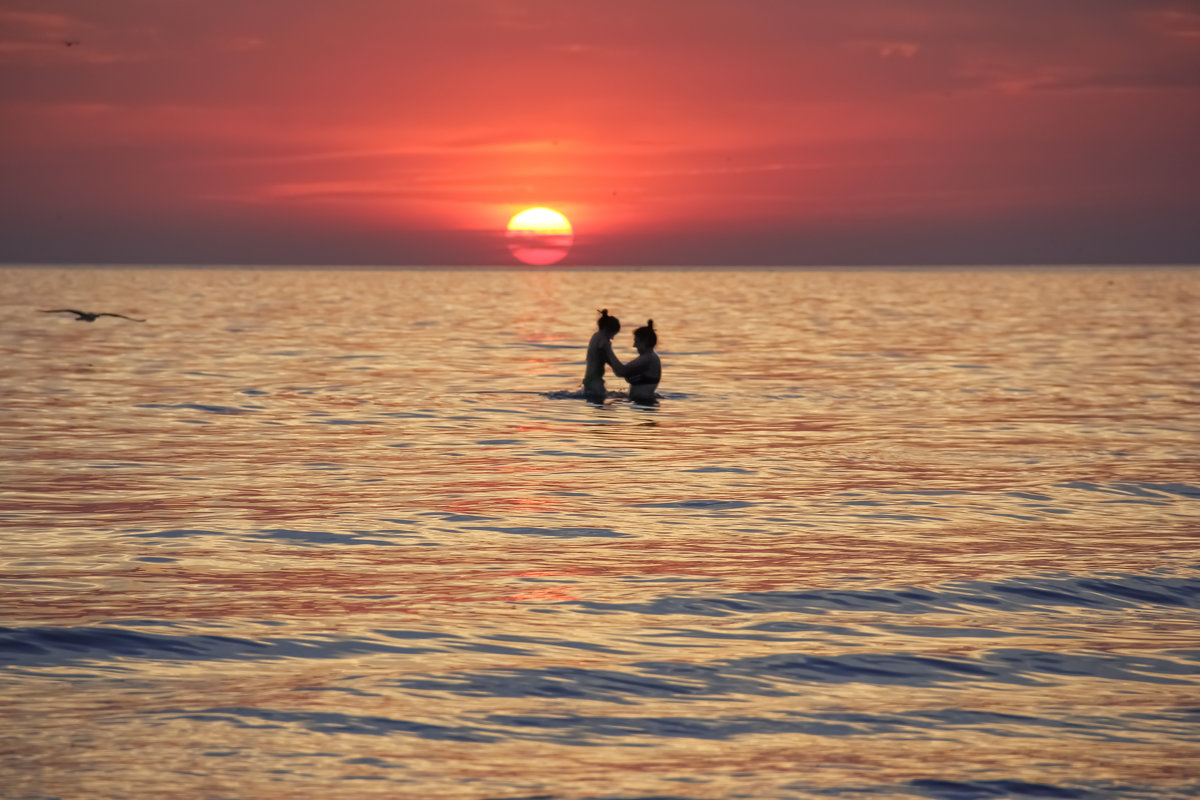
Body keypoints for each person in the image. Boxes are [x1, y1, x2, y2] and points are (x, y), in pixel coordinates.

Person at [609, 319, 661, 404]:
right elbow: (622, 372)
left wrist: (608, 351)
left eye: (636, 341)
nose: (634, 345)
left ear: (645, 342)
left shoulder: (648, 358)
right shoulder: (652, 357)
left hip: (643, 404)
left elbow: (621, 372)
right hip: (643, 403)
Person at [582, 308, 620, 403]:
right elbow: (614, 363)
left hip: (589, 380)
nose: (612, 338)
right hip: (596, 383)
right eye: (613, 335)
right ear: (608, 330)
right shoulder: (603, 342)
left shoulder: (595, 337)